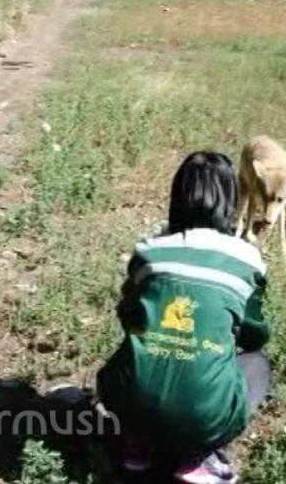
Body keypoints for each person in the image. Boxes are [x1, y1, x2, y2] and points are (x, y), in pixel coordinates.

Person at [97, 151, 271, 484]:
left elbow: (128, 316)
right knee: (258, 365)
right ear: (231, 200)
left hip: (129, 404)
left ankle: (137, 446)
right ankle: (198, 455)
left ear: (176, 197)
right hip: (203, 416)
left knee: (132, 357)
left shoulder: (148, 252)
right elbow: (255, 335)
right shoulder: (246, 260)